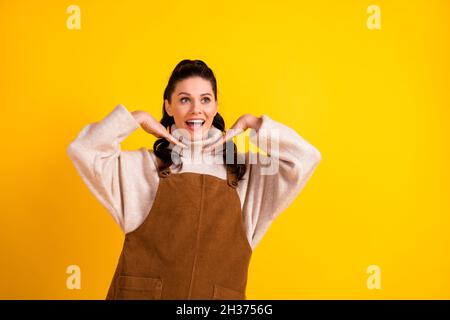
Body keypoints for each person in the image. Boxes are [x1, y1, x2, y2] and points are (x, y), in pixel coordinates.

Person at [67, 59, 322, 300]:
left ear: (216, 106)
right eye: (184, 99)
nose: (196, 109)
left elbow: (306, 158)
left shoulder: (245, 171)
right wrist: (136, 119)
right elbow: (84, 150)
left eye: (205, 99)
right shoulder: (145, 167)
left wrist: (254, 124)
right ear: (168, 106)